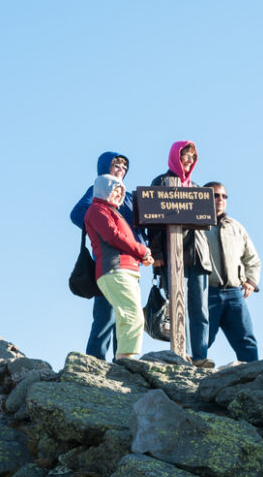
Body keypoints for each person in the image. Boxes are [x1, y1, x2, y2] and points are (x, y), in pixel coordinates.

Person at [71, 151, 145, 360]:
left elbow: (138, 229)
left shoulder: (128, 196)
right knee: (105, 316)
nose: (120, 170)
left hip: (132, 261)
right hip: (111, 263)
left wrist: (142, 248)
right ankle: (95, 363)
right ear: (105, 168)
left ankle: (120, 362)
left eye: (124, 167)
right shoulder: (98, 191)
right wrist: (102, 231)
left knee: (126, 314)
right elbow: (78, 214)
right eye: (116, 165)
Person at [148, 141, 213, 367]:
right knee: (177, 305)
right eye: (184, 156)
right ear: (175, 157)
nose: (188, 161)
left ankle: (200, 356)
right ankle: (180, 352)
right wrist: (156, 253)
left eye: (192, 157)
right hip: (172, 253)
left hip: (198, 255)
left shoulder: (196, 188)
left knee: (200, 308)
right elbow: (153, 223)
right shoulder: (161, 182)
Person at [84, 174, 153, 359]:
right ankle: (126, 362)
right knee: (132, 316)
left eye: (121, 190)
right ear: (103, 189)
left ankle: (124, 359)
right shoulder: (97, 209)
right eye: (114, 189)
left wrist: (141, 258)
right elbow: (112, 236)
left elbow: (122, 241)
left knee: (127, 317)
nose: (118, 193)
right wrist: (142, 251)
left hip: (128, 270)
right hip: (115, 269)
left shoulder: (113, 211)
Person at [204, 181, 261, 362]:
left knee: (246, 340)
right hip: (207, 293)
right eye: (215, 195)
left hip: (234, 293)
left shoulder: (236, 227)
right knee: (201, 341)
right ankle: (193, 380)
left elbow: (252, 258)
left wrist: (251, 281)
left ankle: (254, 380)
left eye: (223, 196)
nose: (220, 199)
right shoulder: (196, 226)